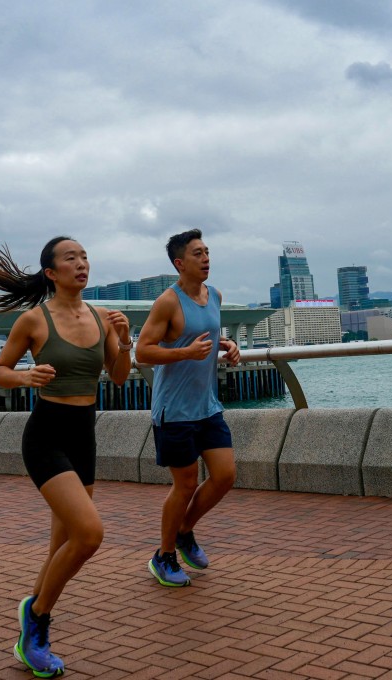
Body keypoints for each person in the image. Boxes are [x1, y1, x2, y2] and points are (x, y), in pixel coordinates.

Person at [0, 236, 132, 677]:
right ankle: (37, 616)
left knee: (60, 547)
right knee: (89, 535)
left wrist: (124, 340)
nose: (82, 263)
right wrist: (26, 376)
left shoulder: (104, 317)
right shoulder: (34, 319)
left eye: (85, 256)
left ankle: (30, 641)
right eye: (71, 258)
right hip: (46, 435)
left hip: (84, 435)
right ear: (52, 273)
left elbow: (120, 377)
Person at [135, 229, 241, 587]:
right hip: (174, 409)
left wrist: (227, 344)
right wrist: (184, 352)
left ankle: (184, 530)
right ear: (180, 263)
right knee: (185, 485)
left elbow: (205, 334)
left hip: (207, 406)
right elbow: (143, 351)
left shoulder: (215, 296)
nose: (206, 258)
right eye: (198, 253)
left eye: (207, 251)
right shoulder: (168, 301)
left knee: (225, 476)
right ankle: (163, 556)